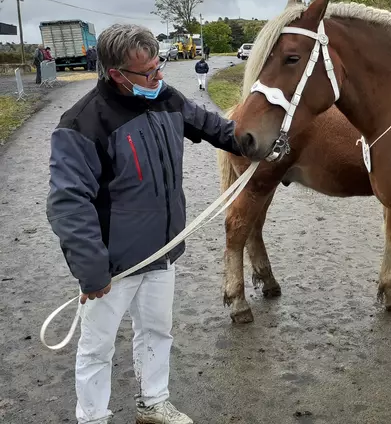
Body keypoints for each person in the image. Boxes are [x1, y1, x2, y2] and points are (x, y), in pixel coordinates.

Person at [46, 24, 247, 424]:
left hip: (162, 251)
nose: (159, 77)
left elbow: (213, 127)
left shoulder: (165, 98)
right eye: (149, 72)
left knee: (157, 332)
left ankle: (152, 403)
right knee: (97, 348)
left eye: (160, 66)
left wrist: (255, 142)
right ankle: (93, 418)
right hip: (113, 266)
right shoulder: (81, 124)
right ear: (117, 74)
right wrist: (91, 271)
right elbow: (68, 204)